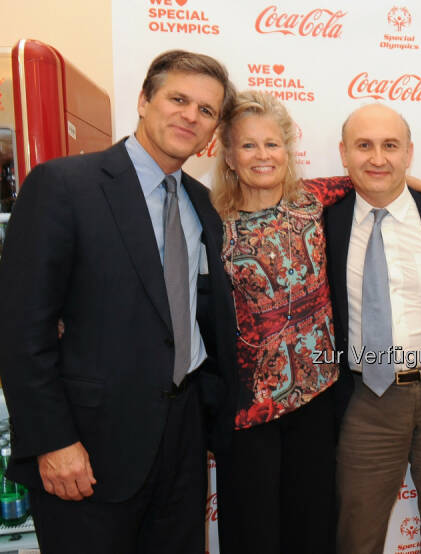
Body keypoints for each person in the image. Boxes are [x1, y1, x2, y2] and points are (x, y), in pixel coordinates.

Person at [0, 50, 237, 553]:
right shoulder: (64, 186)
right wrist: (52, 440)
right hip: (88, 444)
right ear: (144, 100)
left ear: (213, 131)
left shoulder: (202, 205)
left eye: (206, 110)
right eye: (178, 99)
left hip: (183, 434)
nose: (190, 116)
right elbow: (21, 329)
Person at [208, 91, 421, 554]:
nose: (263, 156)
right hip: (273, 409)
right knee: (328, 536)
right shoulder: (216, 221)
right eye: (248, 146)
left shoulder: (314, 202)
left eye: (272, 144)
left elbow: (385, 177)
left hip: (343, 401)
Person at [322, 103, 421, 553]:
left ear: (409, 153)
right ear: (343, 153)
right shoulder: (322, 220)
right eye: (363, 145)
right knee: (357, 536)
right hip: (364, 400)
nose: (377, 158)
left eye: (390, 146)